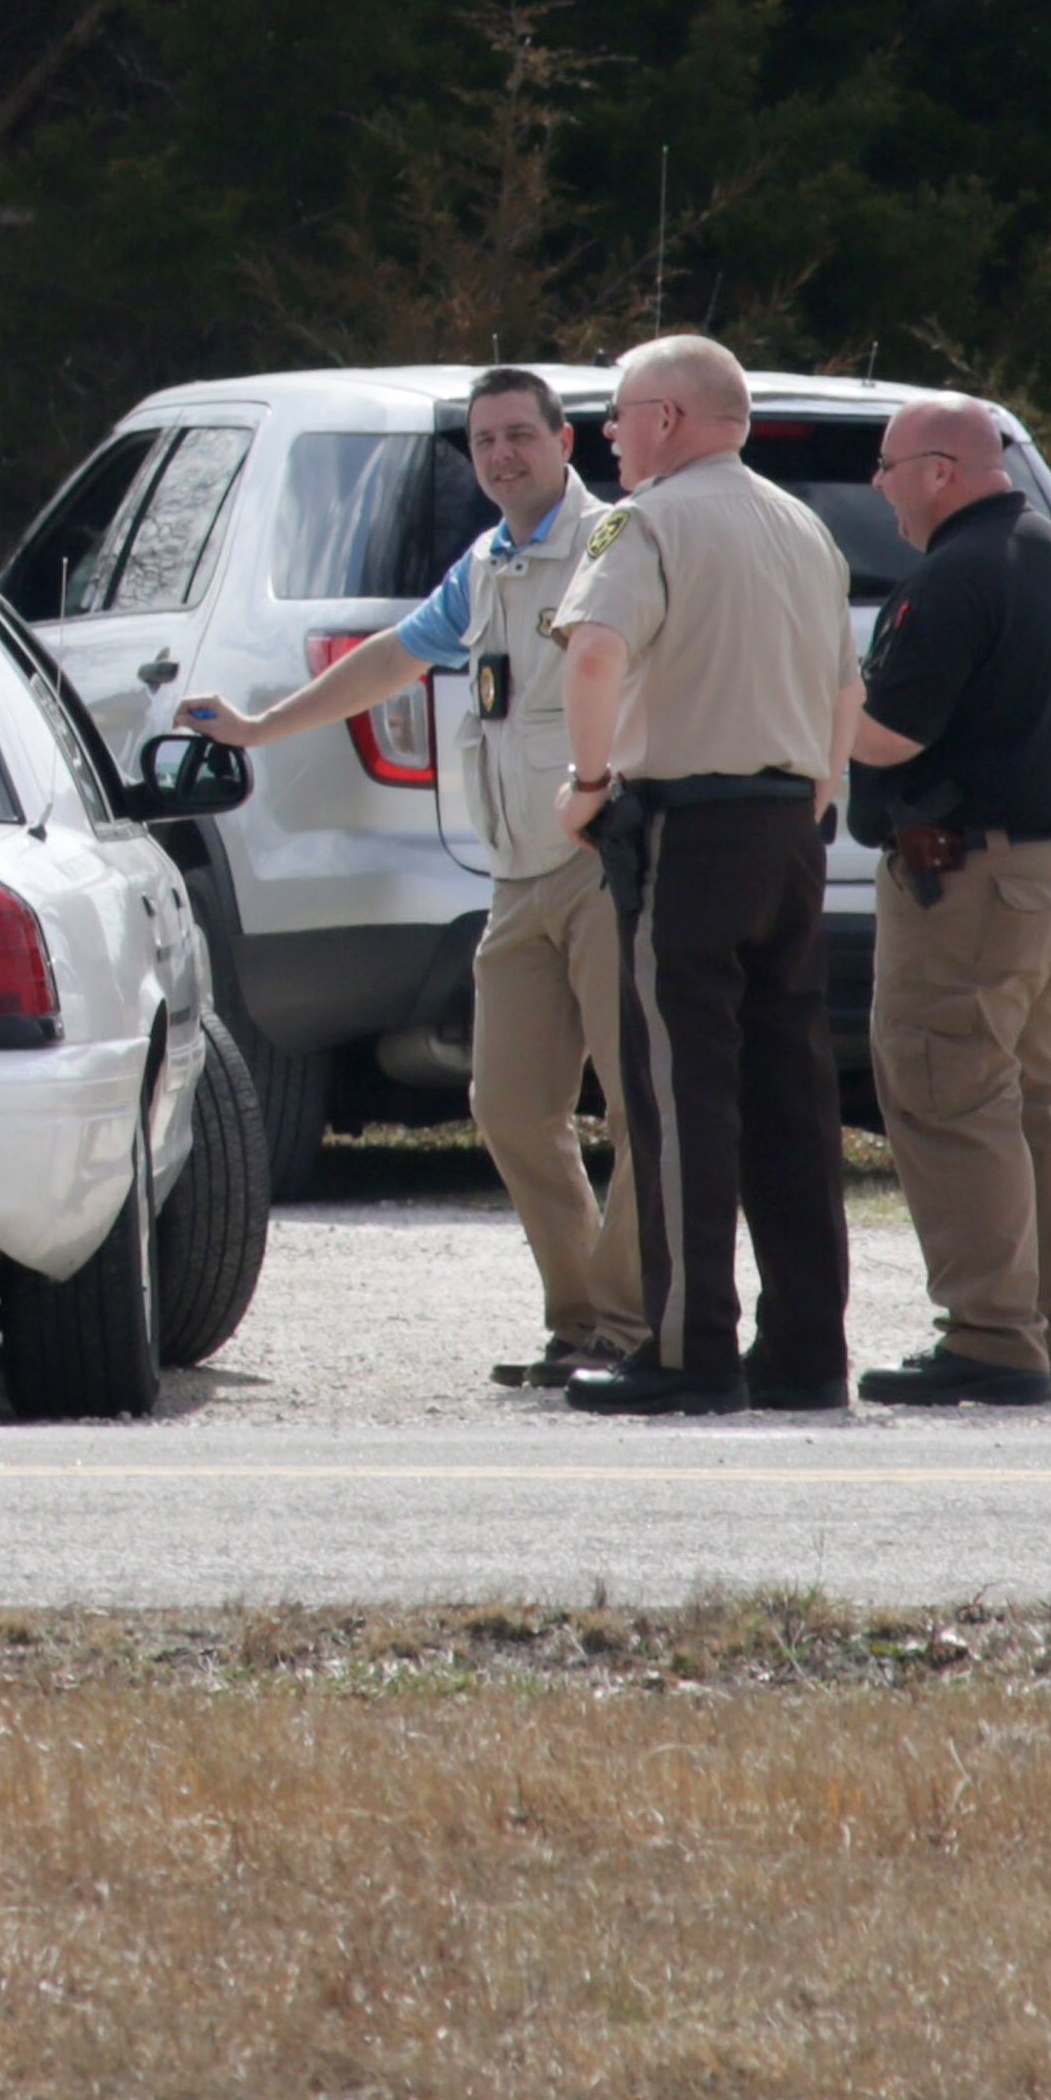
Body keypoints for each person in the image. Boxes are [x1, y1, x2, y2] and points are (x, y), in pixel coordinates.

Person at [174, 367, 640, 1385]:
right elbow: (394, 657)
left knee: (639, 1106)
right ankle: (581, 1323)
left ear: (566, 443)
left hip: (607, 867)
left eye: (521, 434)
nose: (502, 455)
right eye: (484, 441)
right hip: (515, 877)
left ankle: (629, 1327)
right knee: (510, 1105)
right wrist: (259, 727)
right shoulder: (488, 560)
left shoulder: (616, 544)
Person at [550, 333, 861, 1414]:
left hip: (688, 831)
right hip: (791, 830)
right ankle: (808, 1352)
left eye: (619, 413)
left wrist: (589, 782)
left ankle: (691, 1350)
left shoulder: (649, 520)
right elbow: (846, 691)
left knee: (682, 1093)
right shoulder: (806, 527)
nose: (608, 434)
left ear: (669, 419)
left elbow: (595, 651)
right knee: (793, 1095)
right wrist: (814, 797)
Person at [840, 395, 1051, 1408]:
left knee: (949, 1089)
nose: (878, 487)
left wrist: (807, 689)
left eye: (886, 467)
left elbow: (889, 734)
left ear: (940, 470)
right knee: (1046, 1097)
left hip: (979, 878)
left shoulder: (954, 575)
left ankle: (993, 1336)